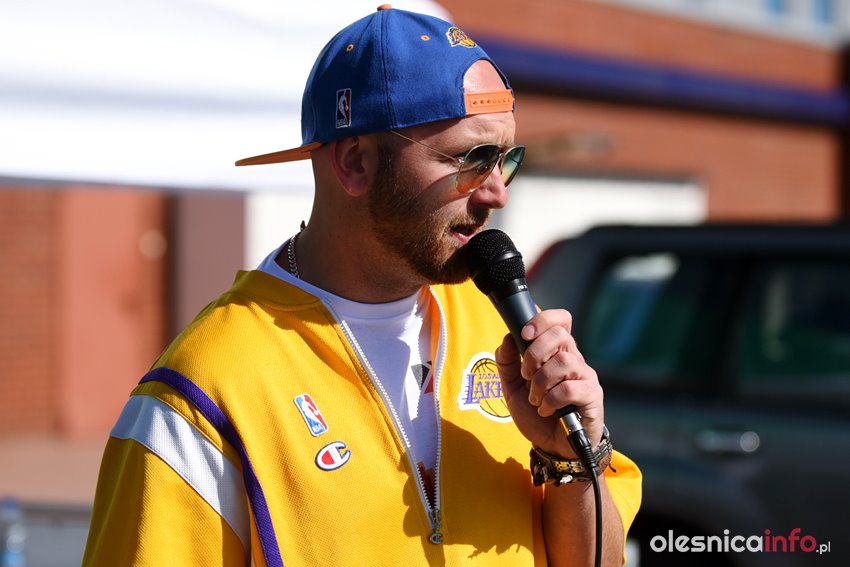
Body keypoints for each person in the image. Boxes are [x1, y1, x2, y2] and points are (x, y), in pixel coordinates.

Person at [83, 5, 641, 566]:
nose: (497, 192)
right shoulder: (206, 386)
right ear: (355, 163)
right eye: (471, 159)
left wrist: (572, 460)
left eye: (505, 159)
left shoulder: (500, 325)